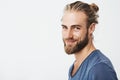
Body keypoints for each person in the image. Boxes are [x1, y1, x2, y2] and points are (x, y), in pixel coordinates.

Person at [61, 1, 118, 80]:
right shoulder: (74, 67)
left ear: (91, 28)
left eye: (76, 28)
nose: (68, 35)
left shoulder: (99, 69)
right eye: (65, 27)